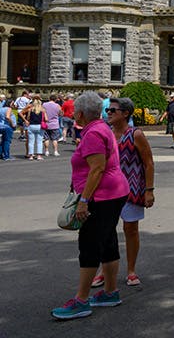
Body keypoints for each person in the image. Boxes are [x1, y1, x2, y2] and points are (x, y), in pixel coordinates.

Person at [51, 92, 129, 320]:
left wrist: (83, 201)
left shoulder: (94, 133)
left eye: (75, 109)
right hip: (114, 191)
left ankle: (81, 300)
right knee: (107, 241)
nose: (73, 112)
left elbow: (97, 168)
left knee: (89, 244)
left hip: (102, 195)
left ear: (81, 113)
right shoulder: (101, 128)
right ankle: (110, 292)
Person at [92, 97, 155, 288]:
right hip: (107, 190)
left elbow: (148, 163)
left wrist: (149, 190)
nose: (108, 113)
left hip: (131, 189)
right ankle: (105, 270)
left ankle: (131, 270)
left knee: (131, 229)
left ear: (125, 113)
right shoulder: (106, 134)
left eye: (113, 110)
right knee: (106, 231)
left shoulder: (135, 134)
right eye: (108, 110)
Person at [20, 96, 47, 160]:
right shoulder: (42, 109)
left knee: (31, 142)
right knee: (39, 141)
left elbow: (28, 117)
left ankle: (31, 155)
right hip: (39, 126)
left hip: (31, 126)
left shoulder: (30, 109)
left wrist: (26, 120)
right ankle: (39, 155)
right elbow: (46, 119)